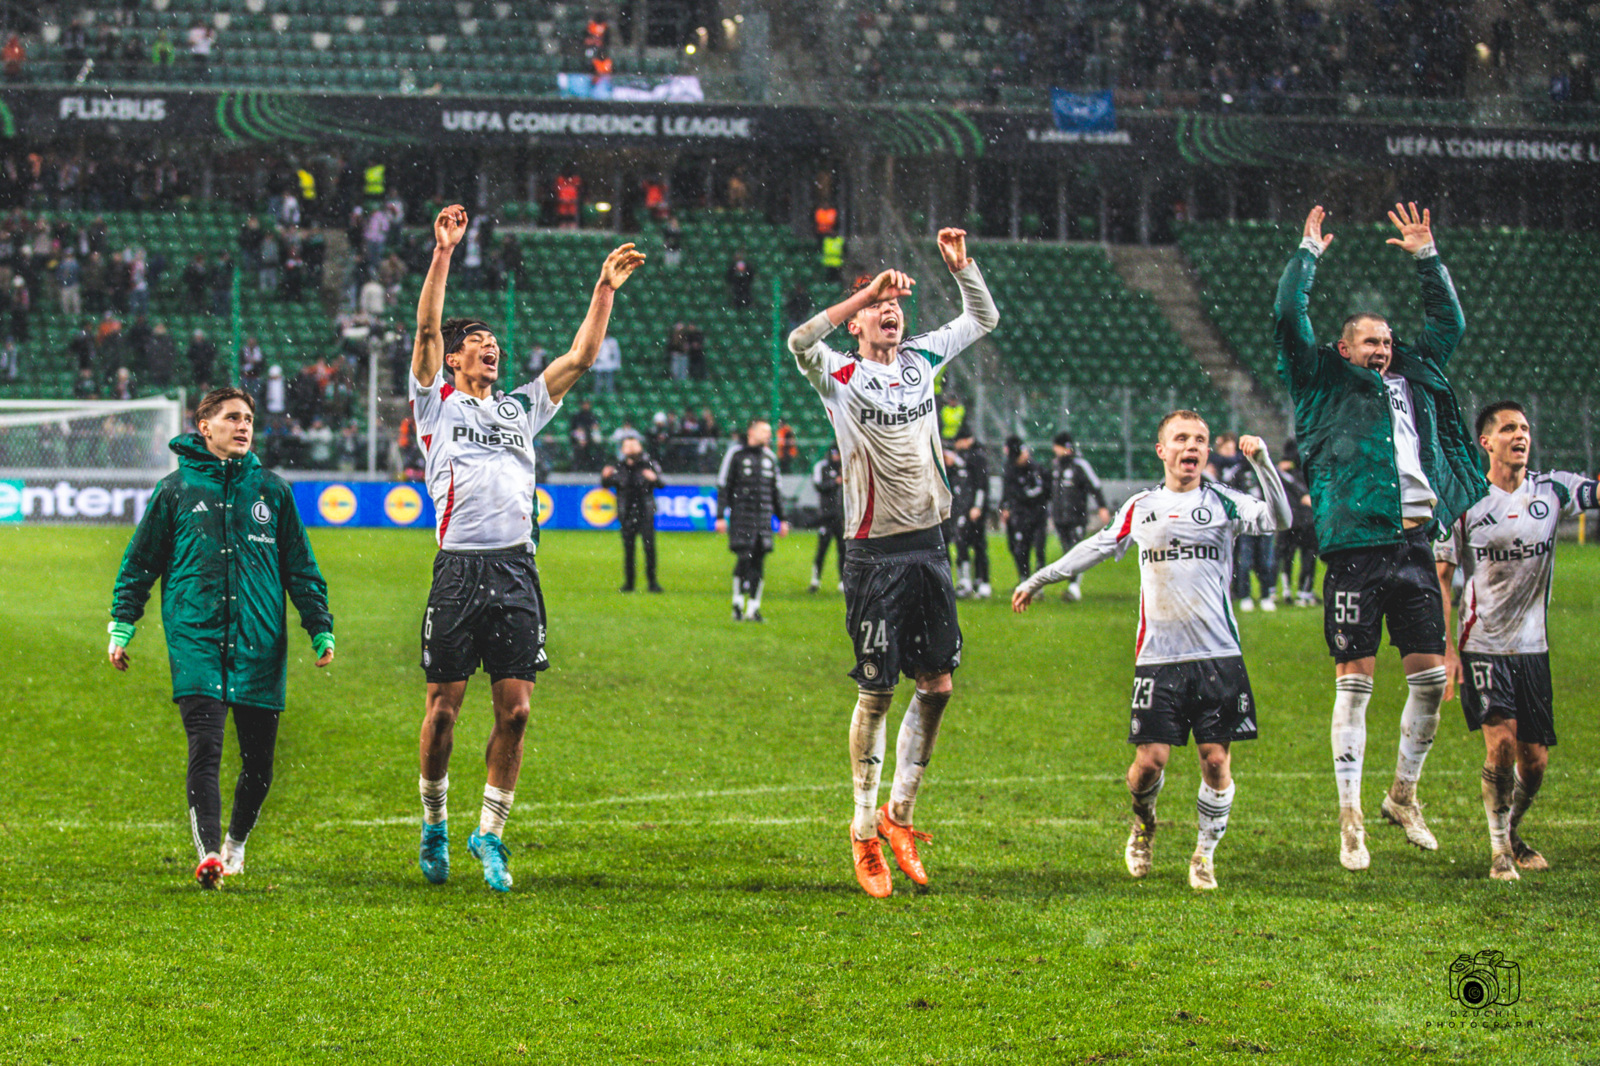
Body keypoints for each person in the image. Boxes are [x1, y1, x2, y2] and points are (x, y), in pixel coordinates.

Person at [409, 204, 643, 893]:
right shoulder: (435, 406)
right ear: (453, 357)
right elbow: (425, 326)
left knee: (516, 710)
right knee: (443, 710)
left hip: (515, 568)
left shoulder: (519, 409)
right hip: (457, 569)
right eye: (479, 342)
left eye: (495, 343)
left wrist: (603, 289)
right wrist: (444, 252)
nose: (493, 348)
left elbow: (580, 358)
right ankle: (434, 821)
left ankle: (490, 832)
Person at [1277, 203, 1487, 871]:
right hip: (1357, 546)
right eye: (1371, 341)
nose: (1384, 350)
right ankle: (1350, 816)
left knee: (1429, 681)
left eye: (1388, 342)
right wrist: (1306, 256)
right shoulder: (1321, 380)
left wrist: (1428, 257)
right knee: (1354, 683)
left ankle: (1402, 795)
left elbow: (1450, 324)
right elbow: (1288, 318)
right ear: (1344, 348)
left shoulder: (1415, 377)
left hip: (1416, 544)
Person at [788, 227, 998, 897]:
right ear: (858, 323)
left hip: (929, 545)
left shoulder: (920, 360)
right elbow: (798, 341)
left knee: (937, 686)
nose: (889, 312)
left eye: (894, 304)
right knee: (877, 692)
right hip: (874, 555)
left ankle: (899, 815)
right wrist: (861, 294)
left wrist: (962, 268)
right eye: (877, 306)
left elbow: (983, 318)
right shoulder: (840, 373)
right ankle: (860, 830)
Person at [1011, 413, 1291, 890]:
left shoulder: (1224, 501)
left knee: (1216, 761)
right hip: (1158, 658)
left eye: (1200, 440)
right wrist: (1041, 578)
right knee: (1149, 764)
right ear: (1161, 450)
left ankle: (1204, 854)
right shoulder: (1142, 506)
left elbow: (1281, 519)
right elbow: (1096, 547)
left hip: (1217, 656)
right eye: (1181, 438)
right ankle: (1144, 822)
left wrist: (1264, 463)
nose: (1192, 447)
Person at [107, 387, 334, 889]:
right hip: (196, 638)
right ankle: (209, 853)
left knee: (259, 765)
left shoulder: (272, 492)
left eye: (249, 418)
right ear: (204, 426)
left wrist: (319, 627)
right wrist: (123, 624)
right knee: (205, 748)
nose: (244, 426)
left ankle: (235, 844)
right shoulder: (175, 490)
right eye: (232, 418)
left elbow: (301, 568)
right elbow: (140, 564)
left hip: (259, 642)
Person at [1435, 402, 1598, 881]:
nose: (1520, 435)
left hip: (1533, 649)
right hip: (1481, 644)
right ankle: (1498, 854)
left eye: (1525, 428)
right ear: (1487, 442)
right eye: (1509, 429)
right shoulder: (1464, 501)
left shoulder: (1552, 490)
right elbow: (1442, 577)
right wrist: (1447, 651)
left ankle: (1511, 831)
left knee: (1537, 762)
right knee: (1501, 745)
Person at [716, 418, 789, 621]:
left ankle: (753, 609)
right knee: (744, 558)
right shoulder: (736, 454)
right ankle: (737, 605)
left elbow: (776, 491)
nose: (768, 435)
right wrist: (720, 516)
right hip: (742, 517)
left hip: (763, 519)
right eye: (764, 431)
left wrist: (783, 519)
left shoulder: (770, 458)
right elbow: (724, 486)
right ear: (752, 432)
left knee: (759, 562)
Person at [1047, 431, 1110, 602]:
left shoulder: (1080, 466)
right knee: (1067, 552)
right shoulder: (1055, 466)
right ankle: (1072, 585)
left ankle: (1074, 587)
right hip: (1060, 518)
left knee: (1076, 551)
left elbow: (1095, 487)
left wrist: (1102, 507)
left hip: (1077, 517)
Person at [601, 436, 664, 593]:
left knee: (649, 549)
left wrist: (654, 478)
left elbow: (661, 483)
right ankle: (629, 583)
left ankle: (652, 582)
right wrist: (605, 476)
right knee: (629, 550)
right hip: (627, 512)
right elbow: (606, 484)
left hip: (645, 512)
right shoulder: (619, 466)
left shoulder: (648, 465)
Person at [1222, 445, 1278, 611]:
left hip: (1264, 524)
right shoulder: (1237, 472)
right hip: (1246, 525)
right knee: (1244, 561)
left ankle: (1266, 595)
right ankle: (1245, 595)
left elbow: (1275, 495)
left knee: (1266, 562)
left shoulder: (1266, 471)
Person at [1275, 439, 1318, 606]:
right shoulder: (1303, 473)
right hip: (1301, 520)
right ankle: (1303, 592)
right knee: (1305, 555)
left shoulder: (1286, 475)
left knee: (1288, 556)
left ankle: (1291, 591)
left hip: (1293, 520)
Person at [950, 427, 992, 598]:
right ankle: (964, 580)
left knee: (979, 545)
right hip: (960, 508)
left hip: (974, 510)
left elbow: (982, 485)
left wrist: (977, 507)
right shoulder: (958, 458)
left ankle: (983, 581)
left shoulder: (978, 457)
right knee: (960, 542)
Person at [1000, 436, 1050, 581]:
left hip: (1038, 513)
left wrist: (1026, 496)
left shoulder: (1036, 468)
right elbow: (1008, 491)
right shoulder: (1010, 470)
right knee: (1020, 547)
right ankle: (1025, 578)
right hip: (1020, 515)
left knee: (1039, 547)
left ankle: (1039, 580)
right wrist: (1005, 506)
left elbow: (1044, 489)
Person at [810, 443, 844, 593]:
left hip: (841, 517)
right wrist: (834, 482)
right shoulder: (822, 467)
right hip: (826, 516)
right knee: (822, 549)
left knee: (843, 550)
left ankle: (843, 581)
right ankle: (815, 579)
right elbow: (818, 486)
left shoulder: (846, 466)